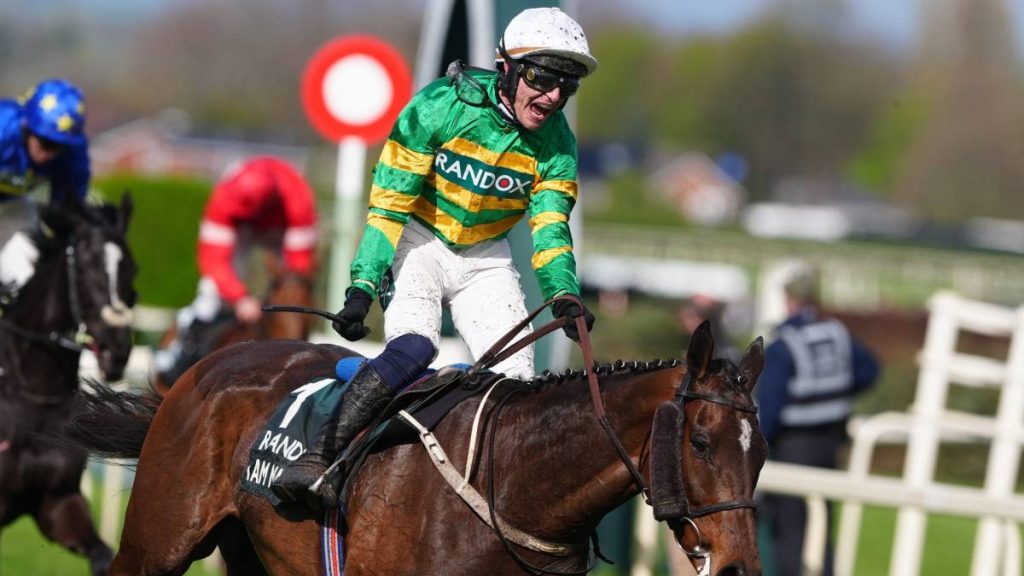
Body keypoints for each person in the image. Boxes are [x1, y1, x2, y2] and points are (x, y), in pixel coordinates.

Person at [271, 6, 598, 510]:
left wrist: (562, 295)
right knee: (413, 350)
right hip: (418, 241)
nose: (553, 96)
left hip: (486, 258)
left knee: (518, 384)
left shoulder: (559, 147)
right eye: (542, 77)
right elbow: (389, 206)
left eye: (566, 86)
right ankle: (320, 455)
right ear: (505, 66)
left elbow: (551, 230)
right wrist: (362, 285)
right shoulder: (437, 107)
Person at [757, 264, 880, 576]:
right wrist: (838, 392)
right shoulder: (837, 334)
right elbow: (869, 370)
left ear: (788, 300)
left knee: (790, 533)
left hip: (792, 448)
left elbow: (768, 411)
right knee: (821, 528)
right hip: (830, 445)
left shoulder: (782, 346)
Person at [153, 156, 318, 384]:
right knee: (211, 296)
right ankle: (178, 355)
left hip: (282, 227)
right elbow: (214, 259)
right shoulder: (225, 197)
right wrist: (240, 298)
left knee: (295, 294)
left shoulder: (298, 196)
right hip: (239, 230)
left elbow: (299, 263)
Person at [0, 78, 90, 295]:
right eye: (45, 142)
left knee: (27, 275)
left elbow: (67, 210)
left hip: (11, 207)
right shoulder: (3, 128)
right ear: (25, 127)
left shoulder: (72, 157)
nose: (48, 153)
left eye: (58, 145)